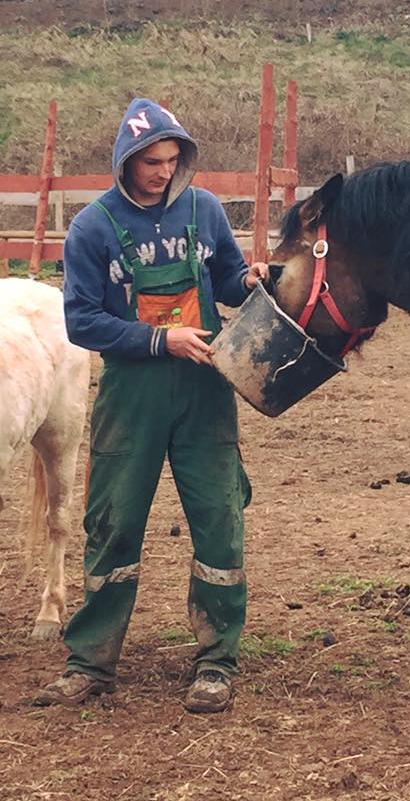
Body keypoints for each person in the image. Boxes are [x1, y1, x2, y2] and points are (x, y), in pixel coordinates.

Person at [36, 98, 268, 713]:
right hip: (131, 393)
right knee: (113, 523)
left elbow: (222, 277)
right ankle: (91, 662)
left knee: (220, 519)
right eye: (151, 162)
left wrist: (247, 281)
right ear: (125, 161)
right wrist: (160, 338)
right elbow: (82, 321)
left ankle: (217, 661)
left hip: (205, 391)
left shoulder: (205, 209)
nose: (163, 172)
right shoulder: (92, 228)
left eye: (172, 160)